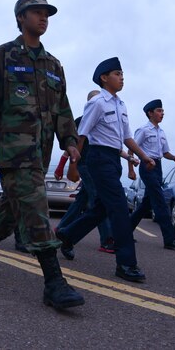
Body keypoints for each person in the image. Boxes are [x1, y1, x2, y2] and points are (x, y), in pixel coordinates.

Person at [0, 0, 85, 309]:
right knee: (35, 208)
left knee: (12, 211)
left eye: (46, 13)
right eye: (36, 12)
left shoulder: (53, 65)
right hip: (12, 151)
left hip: (40, 154)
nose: (43, 17)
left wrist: (71, 142)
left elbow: (63, 108)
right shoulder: (4, 55)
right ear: (21, 18)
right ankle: (54, 283)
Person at [56, 57, 155, 282]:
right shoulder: (98, 102)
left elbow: (127, 138)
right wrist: (74, 165)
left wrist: (144, 156)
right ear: (104, 78)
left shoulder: (121, 105)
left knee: (101, 208)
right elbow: (82, 133)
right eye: (117, 74)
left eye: (122, 74)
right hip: (98, 158)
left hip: (112, 160)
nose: (122, 78)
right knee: (120, 207)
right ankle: (126, 263)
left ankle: (67, 234)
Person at [54, 90, 116, 259]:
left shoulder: (103, 120)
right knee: (98, 200)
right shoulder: (81, 121)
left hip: (98, 166)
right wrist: (64, 167)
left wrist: (129, 158)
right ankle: (107, 240)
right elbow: (71, 147)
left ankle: (62, 228)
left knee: (82, 200)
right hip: (85, 166)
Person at [127, 99, 175, 249]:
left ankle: (125, 231)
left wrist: (173, 157)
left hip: (158, 167)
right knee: (159, 201)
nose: (162, 113)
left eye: (162, 111)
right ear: (150, 113)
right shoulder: (143, 130)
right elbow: (131, 148)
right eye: (159, 111)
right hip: (147, 166)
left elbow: (164, 152)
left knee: (146, 204)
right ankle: (170, 239)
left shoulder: (161, 132)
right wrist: (131, 169)